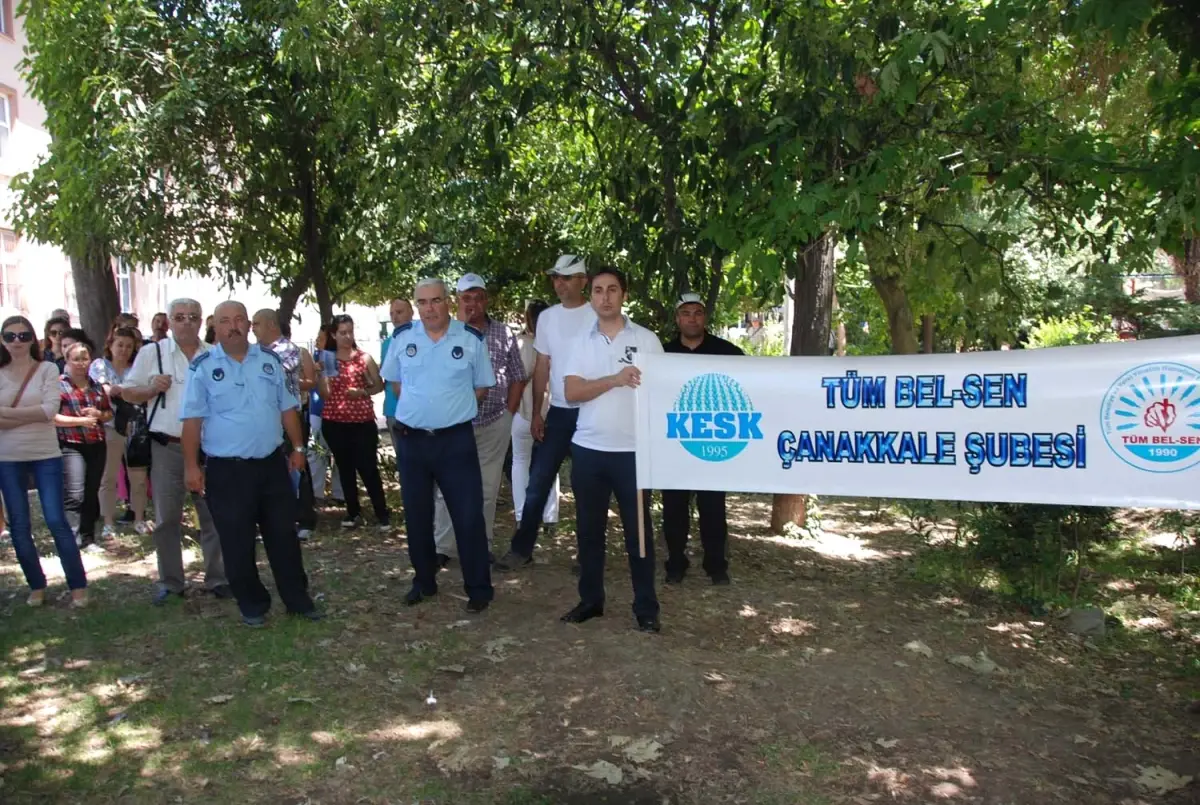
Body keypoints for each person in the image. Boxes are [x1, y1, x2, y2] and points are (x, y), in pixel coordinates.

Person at [182, 301, 320, 627]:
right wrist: (191, 466)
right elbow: (191, 422)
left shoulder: (271, 362)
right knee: (236, 539)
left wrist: (298, 447)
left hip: (271, 465)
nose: (233, 326)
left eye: (239, 320)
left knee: (283, 536)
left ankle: (297, 599)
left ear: (249, 324)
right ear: (215, 327)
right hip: (226, 470)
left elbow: (287, 408)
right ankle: (253, 604)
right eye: (225, 321)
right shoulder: (201, 367)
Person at [381, 277, 495, 612]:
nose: (430, 308)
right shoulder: (403, 338)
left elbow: (481, 388)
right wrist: (423, 411)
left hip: (455, 441)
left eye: (436, 300)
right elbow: (397, 383)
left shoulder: (471, 339)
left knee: (468, 516)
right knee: (417, 516)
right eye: (423, 302)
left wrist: (449, 410)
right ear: (417, 306)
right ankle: (424, 581)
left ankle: (478, 589)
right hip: (412, 441)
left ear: (448, 301)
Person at [560, 267, 662, 632]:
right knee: (589, 531)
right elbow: (572, 393)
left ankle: (646, 607)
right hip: (588, 450)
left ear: (624, 295)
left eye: (613, 290)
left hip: (634, 453)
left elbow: (663, 393)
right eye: (599, 290)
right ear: (591, 296)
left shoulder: (648, 340)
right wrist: (615, 380)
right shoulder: (579, 342)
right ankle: (591, 600)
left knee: (639, 534)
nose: (605, 297)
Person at [124, 298, 230, 605]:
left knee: (213, 516)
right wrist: (150, 389)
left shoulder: (214, 354)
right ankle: (171, 582)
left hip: (208, 448)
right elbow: (127, 391)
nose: (187, 322)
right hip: (166, 446)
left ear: (201, 322)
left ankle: (218, 578)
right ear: (169, 321)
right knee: (167, 518)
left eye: (193, 317)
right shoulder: (151, 353)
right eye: (180, 317)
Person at [495, 254, 597, 570]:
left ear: (583, 280)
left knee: (587, 486)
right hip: (560, 412)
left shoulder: (598, 313)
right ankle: (521, 548)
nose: (559, 283)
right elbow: (542, 365)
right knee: (538, 480)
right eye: (556, 277)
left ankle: (588, 555)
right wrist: (539, 411)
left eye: (566, 277)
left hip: (594, 412)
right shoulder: (549, 318)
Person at [432, 274, 526, 561]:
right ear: (456, 301)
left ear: (486, 300)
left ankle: (479, 546)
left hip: (493, 423)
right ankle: (443, 548)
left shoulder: (503, 333)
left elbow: (518, 377)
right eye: (466, 298)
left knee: (486, 488)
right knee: (446, 487)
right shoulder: (444, 332)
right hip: (452, 424)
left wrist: (509, 414)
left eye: (478, 297)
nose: (473, 303)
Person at [0, 315, 88, 608]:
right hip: (8, 457)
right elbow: (41, 412)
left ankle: (78, 586)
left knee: (56, 520)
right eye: (10, 336)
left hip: (46, 455)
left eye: (23, 336)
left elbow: (50, 410)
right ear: (2, 339)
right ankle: (36, 586)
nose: (17, 342)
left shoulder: (48, 368)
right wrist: (35, 414)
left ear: (33, 339)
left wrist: (7, 416)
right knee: (19, 525)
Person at [661, 293, 744, 585]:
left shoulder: (728, 353)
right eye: (686, 313)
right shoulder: (662, 355)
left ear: (705, 317)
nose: (692, 318)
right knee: (673, 509)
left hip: (714, 443)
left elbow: (748, 388)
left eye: (697, 313)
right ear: (677, 318)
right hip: (675, 444)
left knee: (712, 508)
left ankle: (716, 566)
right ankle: (675, 563)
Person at [317, 314, 390, 530]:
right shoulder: (328, 358)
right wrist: (322, 375)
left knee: (368, 468)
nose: (348, 337)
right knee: (345, 467)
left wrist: (361, 392)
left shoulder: (363, 358)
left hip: (362, 421)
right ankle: (353, 511)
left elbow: (379, 385)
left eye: (350, 331)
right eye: (342, 333)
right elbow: (326, 395)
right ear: (333, 334)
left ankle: (381, 513)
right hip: (334, 421)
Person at [251, 308, 318, 539]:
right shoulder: (256, 352)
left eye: (256, 323)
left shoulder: (286, 349)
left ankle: (305, 518)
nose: (252, 328)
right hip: (264, 418)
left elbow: (272, 376)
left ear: (271, 324)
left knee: (296, 464)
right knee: (268, 468)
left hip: (289, 417)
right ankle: (272, 518)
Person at [91, 326, 152, 538]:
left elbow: (143, 394)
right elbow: (106, 391)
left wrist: (124, 392)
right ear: (110, 345)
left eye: (128, 346)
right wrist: (129, 392)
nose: (124, 350)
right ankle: (108, 521)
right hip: (110, 428)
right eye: (120, 345)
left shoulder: (137, 368)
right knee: (108, 477)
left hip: (136, 426)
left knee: (139, 477)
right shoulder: (99, 365)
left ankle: (139, 518)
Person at [55, 341, 113, 552]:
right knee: (74, 494)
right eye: (76, 358)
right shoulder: (59, 385)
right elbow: (52, 417)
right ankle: (70, 540)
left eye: (84, 358)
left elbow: (108, 414)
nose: (81, 363)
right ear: (67, 361)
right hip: (71, 445)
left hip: (97, 443)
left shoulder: (96, 385)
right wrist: (79, 421)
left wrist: (98, 415)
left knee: (91, 492)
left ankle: (88, 539)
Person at [511, 300, 559, 535]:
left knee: (520, 461)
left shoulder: (522, 344)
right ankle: (550, 515)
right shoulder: (558, 344)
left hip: (523, 410)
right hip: (550, 410)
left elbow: (516, 380)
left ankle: (522, 515)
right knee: (549, 463)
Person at [307, 323, 344, 506]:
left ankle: (340, 494)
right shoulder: (315, 358)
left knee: (340, 453)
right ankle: (317, 494)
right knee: (316, 453)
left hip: (340, 412)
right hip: (317, 411)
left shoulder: (342, 357)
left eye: (321, 338)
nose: (317, 342)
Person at [381, 297, 414, 463]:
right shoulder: (387, 343)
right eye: (392, 313)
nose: (395, 317)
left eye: (399, 312)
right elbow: (387, 377)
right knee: (405, 463)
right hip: (393, 410)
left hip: (417, 412)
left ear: (411, 313)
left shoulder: (423, 339)